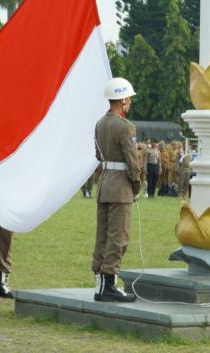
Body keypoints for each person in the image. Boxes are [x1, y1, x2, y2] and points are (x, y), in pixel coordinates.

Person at [92, 77, 140, 302]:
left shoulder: (100, 123)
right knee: (118, 236)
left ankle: (100, 284)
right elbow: (132, 161)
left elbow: (98, 155)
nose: (129, 102)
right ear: (122, 100)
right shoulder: (125, 126)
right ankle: (110, 282)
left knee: (102, 235)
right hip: (121, 186)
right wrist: (136, 185)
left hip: (104, 182)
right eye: (128, 98)